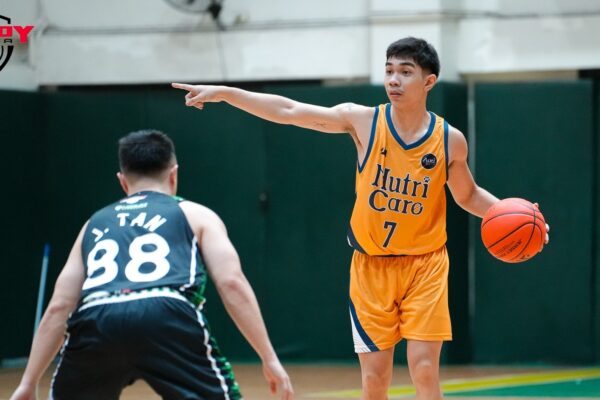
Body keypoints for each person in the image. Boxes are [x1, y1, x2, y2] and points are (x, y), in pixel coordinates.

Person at [172, 37, 549, 400]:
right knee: (374, 379)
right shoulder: (363, 121)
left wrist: (522, 218)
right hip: (371, 267)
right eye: (389, 71)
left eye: (405, 72)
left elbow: (467, 195)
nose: (394, 80)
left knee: (424, 370)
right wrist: (226, 93)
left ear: (429, 81)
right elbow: (288, 111)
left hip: (426, 265)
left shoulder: (449, 139)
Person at [10, 130, 294, 400]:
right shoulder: (196, 214)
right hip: (166, 311)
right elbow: (231, 282)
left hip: (96, 315)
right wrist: (268, 357)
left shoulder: (94, 223)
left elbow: (59, 306)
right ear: (174, 174)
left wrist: (28, 382)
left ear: (122, 181)